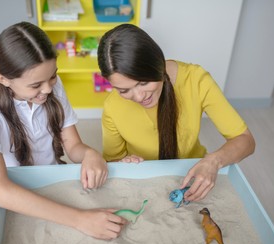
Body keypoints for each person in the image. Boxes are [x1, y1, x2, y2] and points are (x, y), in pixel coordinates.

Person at [0, 22, 126, 240]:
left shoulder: (50, 85)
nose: (48, 89)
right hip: (19, 193)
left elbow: (72, 146)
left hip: (51, 176)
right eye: (35, 85)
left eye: (53, 76)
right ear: (3, 79)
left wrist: (90, 154)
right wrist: (80, 219)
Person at [97, 24, 255, 203]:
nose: (140, 96)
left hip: (195, 173)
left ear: (156, 63)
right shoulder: (112, 106)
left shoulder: (196, 80)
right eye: (124, 90)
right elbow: (113, 161)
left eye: (143, 83)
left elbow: (245, 140)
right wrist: (124, 163)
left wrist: (213, 161)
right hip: (144, 183)